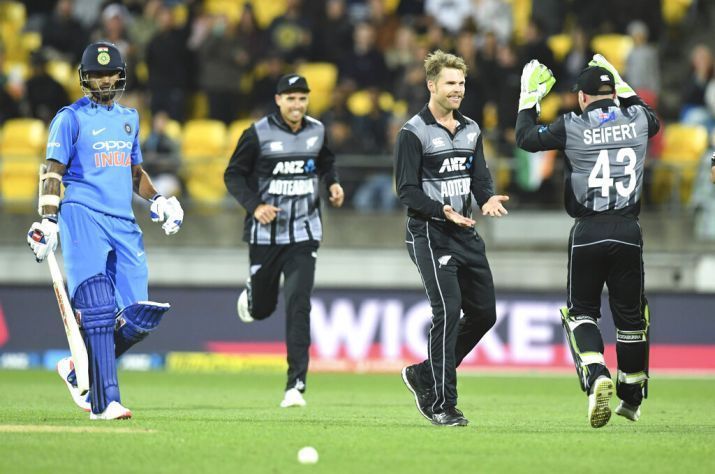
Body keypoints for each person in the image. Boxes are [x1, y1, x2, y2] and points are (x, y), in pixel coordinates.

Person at [26, 42, 184, 420]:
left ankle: (78, 369)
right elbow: (52, 172)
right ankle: (104, 401)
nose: (103, 79)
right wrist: (48, 220)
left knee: (138, 316)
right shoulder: (70, 118)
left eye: (109, 72)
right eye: (96, 74)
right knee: (97, 307)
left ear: (120, 74)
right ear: (84, 78)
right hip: (82, 214)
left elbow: (134, 173)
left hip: (124, 222)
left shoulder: (129, 118)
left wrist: (158, 200)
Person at [514, 55, 660, 428]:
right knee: (631, 320)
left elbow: (525, 138)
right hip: (628, 230)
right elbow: (651, 117)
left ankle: (597, 376)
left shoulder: (572, 124)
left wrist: (528, 97)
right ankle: (631, 396)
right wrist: (620, 82)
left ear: (581, 98)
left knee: (581, 313)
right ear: (614, 93)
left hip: (588, 232)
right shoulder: (639, 119)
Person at [395, 50, 509, 427]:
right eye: (450, 83)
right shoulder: (413, 132)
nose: (458, 90)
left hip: (466, 232)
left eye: (461, 83)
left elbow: (479, 177)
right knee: (448, 312)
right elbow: (407, 191)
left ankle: (425, 373)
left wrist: (487, 196)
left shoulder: (473, 129)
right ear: (432, 86)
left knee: (485, 313)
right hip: (431, 233)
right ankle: (443, 404)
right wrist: (439, 210)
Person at [224, 73, 344, 408]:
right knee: (262, 309)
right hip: (266, 234)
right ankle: (254, 291)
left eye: (302, 98)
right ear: (278, 100)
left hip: (305, 233)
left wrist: (332, 183)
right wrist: (255, 206)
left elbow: (326, 162)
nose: (297, 105)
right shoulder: (258, 133)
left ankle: (295, 386)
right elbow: (232, 174)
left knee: (298, 304)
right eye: (290, 98)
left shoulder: (318, 130)